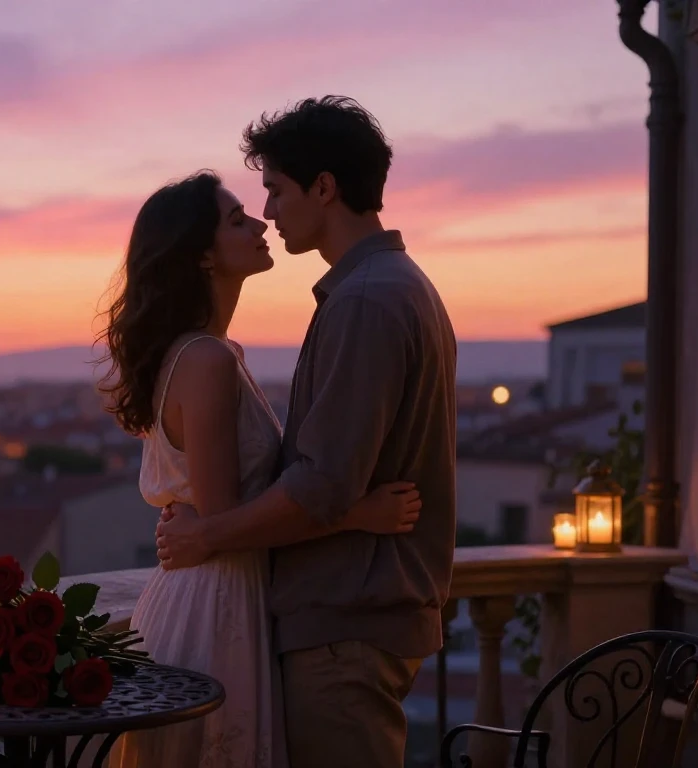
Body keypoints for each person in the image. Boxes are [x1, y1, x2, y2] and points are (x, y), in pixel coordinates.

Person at [155, 96, 459, 767]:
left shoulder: (365, 301)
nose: (268, 212)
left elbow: (319, 484)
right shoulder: (392, 287)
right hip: (349, 615)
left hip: (344, 620)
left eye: (275, 189)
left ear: (324, 188)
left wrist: (203, 533)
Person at [97, 169, 422, 768]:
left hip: (223, 591)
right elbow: (222, 518)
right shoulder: (207, 359)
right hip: (215, 601)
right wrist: (360, 513)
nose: (261, 222)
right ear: (200, 256)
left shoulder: (215, 353)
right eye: (237, 219)